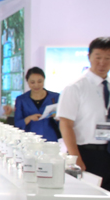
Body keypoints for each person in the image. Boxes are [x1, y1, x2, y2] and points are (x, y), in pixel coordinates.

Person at [58, 36, 110, 190]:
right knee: (90, 198)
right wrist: (75, 158)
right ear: (89, 57)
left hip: (107, 152)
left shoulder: (108, 86)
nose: (102, 62)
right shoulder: (75, 87)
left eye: (107, 58)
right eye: (98, 57)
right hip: (86, 154)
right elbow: (65, 124)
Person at [14, 67, 61, 142]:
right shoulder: (21, 100)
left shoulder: (55, 97)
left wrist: (57, 116)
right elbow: (17, 124)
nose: (36, 85)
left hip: (51, 140)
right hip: (29, 141)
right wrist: (29, 118)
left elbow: (64, 120)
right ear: (27, 82)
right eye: (32, 82)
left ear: (44, 80)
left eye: (40, 81)